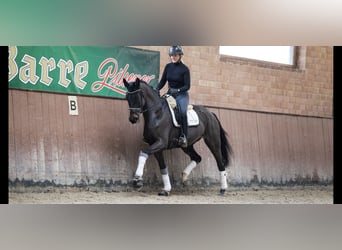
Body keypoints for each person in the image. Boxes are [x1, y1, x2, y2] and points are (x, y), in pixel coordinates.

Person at [156, 45, 190, 148]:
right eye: (171, 55)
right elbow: (162, 81)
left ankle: (184, 137)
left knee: (182, 112)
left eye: (175, 55)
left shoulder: (185, 69)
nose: (173, 57)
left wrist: (178, 90)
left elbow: (187, 86)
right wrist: (156, 89)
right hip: (170, 94)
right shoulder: (168, 67)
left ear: (180, 56)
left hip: (182, 95)